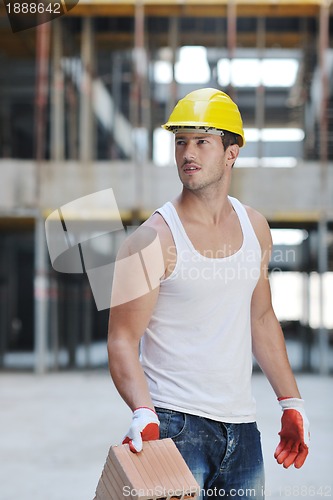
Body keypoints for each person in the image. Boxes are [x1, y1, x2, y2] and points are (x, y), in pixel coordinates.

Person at [107, 88, 310, 500]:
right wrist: (143, 411)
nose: (187, 153)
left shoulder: (255, 228)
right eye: (180, 141)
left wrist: (291, 402)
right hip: (176, 428)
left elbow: (262, 318)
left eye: (201, 141)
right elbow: (122, 340)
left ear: (231, 152)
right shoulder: (151, 239)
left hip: (243, 431)